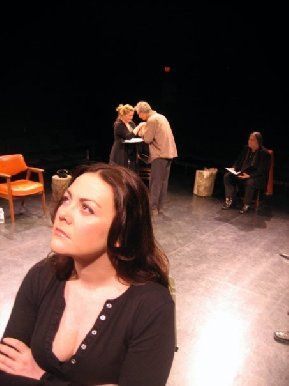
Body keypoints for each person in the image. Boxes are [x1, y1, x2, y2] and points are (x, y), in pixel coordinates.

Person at [0, 163, 175, 386]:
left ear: (120, 232)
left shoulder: (152, 307)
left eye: (87, 208)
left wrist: (40, 376)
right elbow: (6, 372)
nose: (64, 214)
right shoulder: (43, 275)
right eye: (67, 199)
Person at [134, 101, 178, 216]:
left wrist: (141, 130)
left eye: (139, 114)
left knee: (155, 182)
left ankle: (152, 209)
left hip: (160, 154)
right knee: (163, 182)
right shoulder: (161, 116)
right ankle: (159, 207)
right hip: (169, 153)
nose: (139, 116)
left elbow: (148, 139)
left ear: (143, 112)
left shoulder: (152, 120)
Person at [222, 131, 271, 214]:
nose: (249, 141)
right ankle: (230, 200)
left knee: (250, 182)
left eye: (252, 140)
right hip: (242, 173)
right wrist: (234, 169)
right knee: (228, 176)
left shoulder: (264, 153)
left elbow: (262, 170)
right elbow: (238, 161)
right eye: (249, 139)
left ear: (258, 142)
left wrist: (249, 175)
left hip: (256, 177)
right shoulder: (246, 149)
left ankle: (246, 204)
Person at [109, 104, 139, 171]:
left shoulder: (131, 123)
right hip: (121, 151)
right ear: (123, 115)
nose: (131, 117)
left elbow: (135, 135)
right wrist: (138, 128)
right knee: (121, 171)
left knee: (131, 171)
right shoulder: (118, 125)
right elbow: (128, 136)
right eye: (129, 115)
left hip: (131, 151)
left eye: (132, 115)